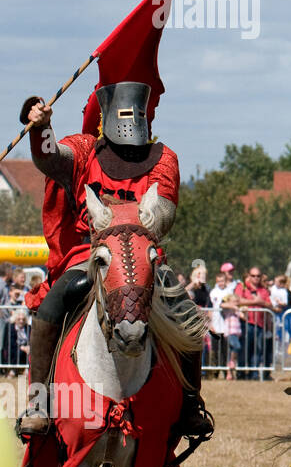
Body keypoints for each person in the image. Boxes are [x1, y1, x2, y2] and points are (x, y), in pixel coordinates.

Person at [16, 83, 211, 441]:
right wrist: (41, 127)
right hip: (90, 254)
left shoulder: (164, 157)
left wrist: (126, 225)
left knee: (187, 316)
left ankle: (190, 402)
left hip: (144, 257)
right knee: (53, 305)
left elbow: (162, 214)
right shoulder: (84, 148)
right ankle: (38, 401)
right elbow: (49, 158)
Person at [235, 268, 273, 381]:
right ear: (249, 276)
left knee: (257, 351)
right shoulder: (242, 287)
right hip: (246, 323)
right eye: (253, 275)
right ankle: (241, 373)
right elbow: (237, 301)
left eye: (258, 276)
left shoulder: (263, 290)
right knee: (244, 350)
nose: (255, 278)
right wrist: (257, 302)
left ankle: (254, 373)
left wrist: (262, 302)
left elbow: (270, 305)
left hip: (260, 325)